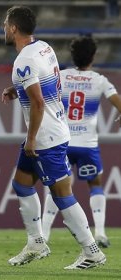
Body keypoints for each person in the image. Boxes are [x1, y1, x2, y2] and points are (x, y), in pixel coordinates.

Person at [1, 6, 106, 269]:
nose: (3, 28)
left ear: (13, 28)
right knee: (22, 184)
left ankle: (91, 251)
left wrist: (32, 139)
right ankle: (36, 241)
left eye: (5, 24)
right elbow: (41, 83)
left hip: (46, 137)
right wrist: (17, 89)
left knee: (62, 194)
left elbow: (37, 103)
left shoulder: (23, 60)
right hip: (55, 127)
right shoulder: (44, 48)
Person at [42, 36, 121, 248]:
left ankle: (44, 234)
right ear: (93, 56)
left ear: (72, 55)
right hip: (87, 144)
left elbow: (42, 97)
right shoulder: (99, 80)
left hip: (62, 142)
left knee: (55, 187)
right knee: (95, 185)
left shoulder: (61, 76)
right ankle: (101, 233)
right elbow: (118, 102)